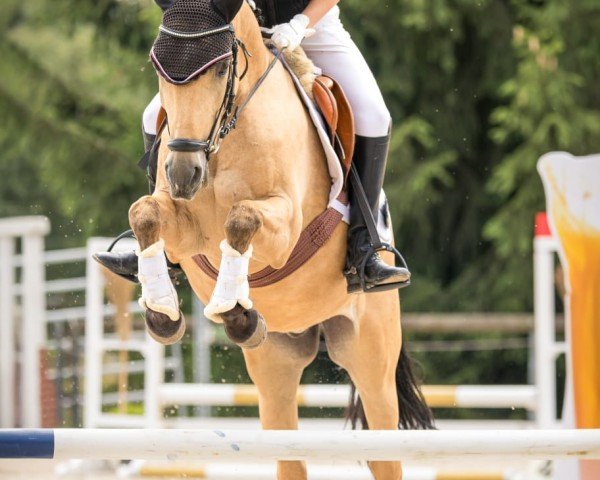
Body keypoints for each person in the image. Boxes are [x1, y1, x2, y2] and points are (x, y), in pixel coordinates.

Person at [95, 0, 411, 293]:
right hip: (229, 28)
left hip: (311, 28)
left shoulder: (308, 25)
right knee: (153, 115)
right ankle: (160, 242)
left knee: (373, 114)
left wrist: (301, 24)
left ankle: (365, 247)